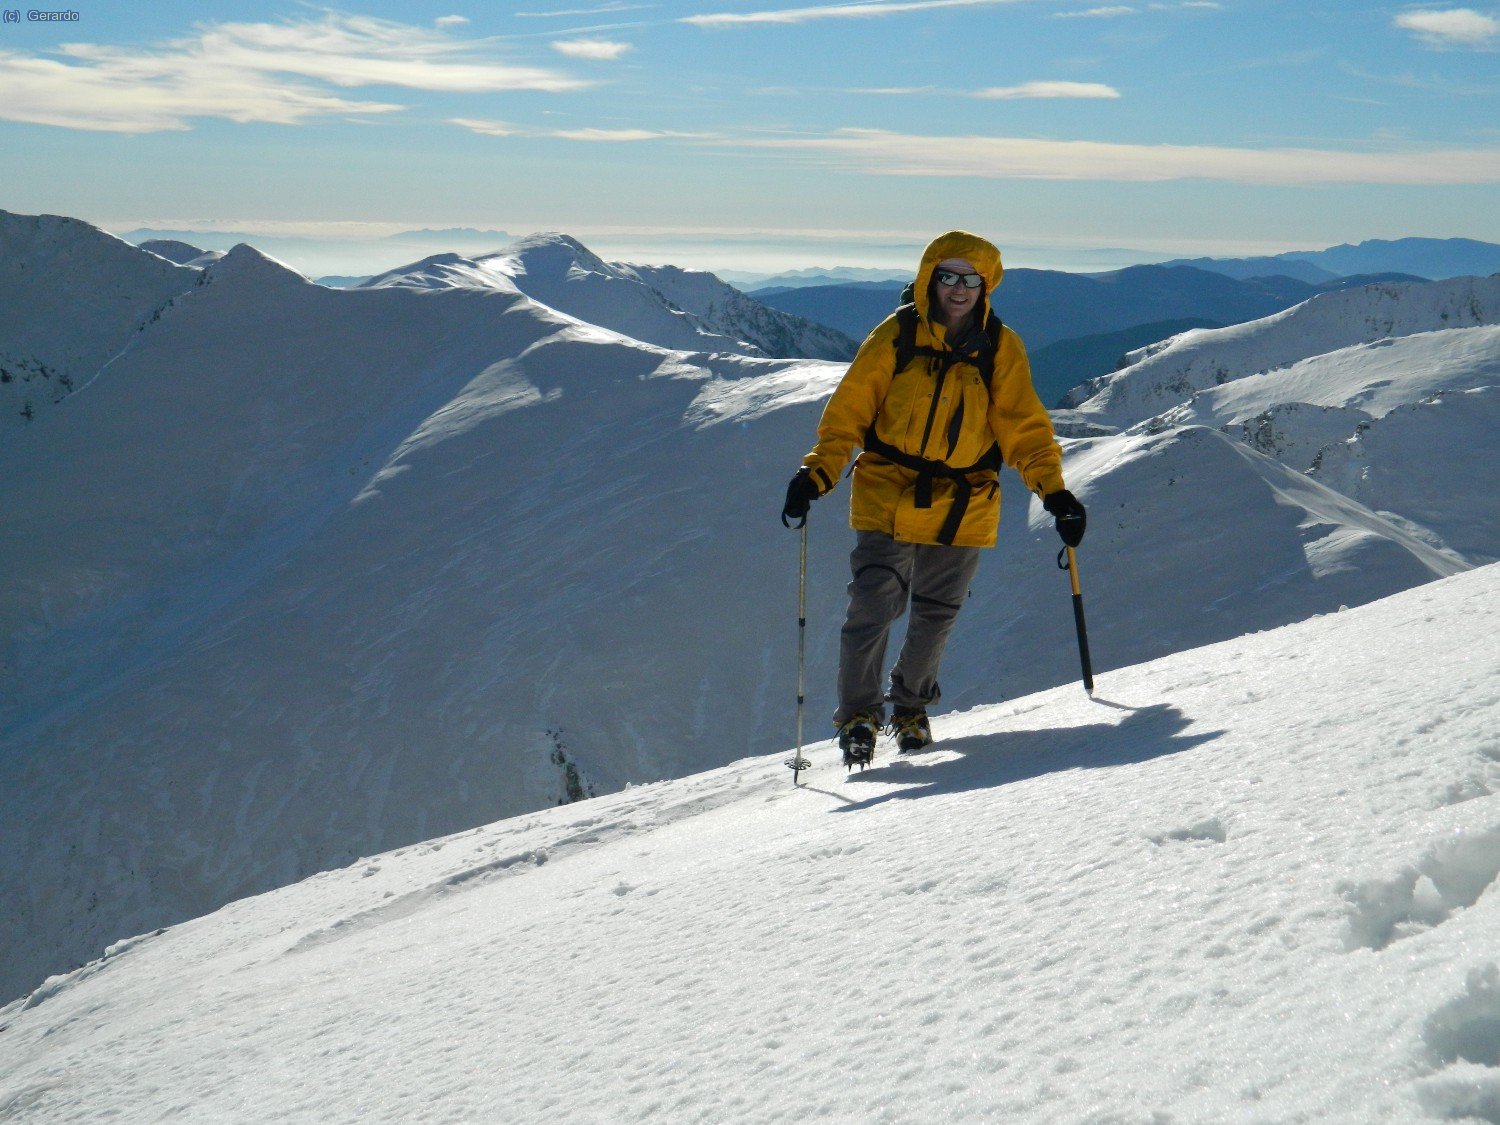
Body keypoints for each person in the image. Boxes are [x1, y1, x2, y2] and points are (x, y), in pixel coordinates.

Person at [780, 230, 1086, 766]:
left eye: (972, 279)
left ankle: (911, 710)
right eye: (949, 277)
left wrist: (1054, 492)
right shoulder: (895, 336)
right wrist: (817, 475)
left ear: (986, 285)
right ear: (930, 279)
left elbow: (1024, 430)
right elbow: (848, 413)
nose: (960, 289)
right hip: (887, 488)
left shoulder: (1000, 346)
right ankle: (858, 716)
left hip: (966, 499)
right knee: (874, 604)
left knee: (935, 615)